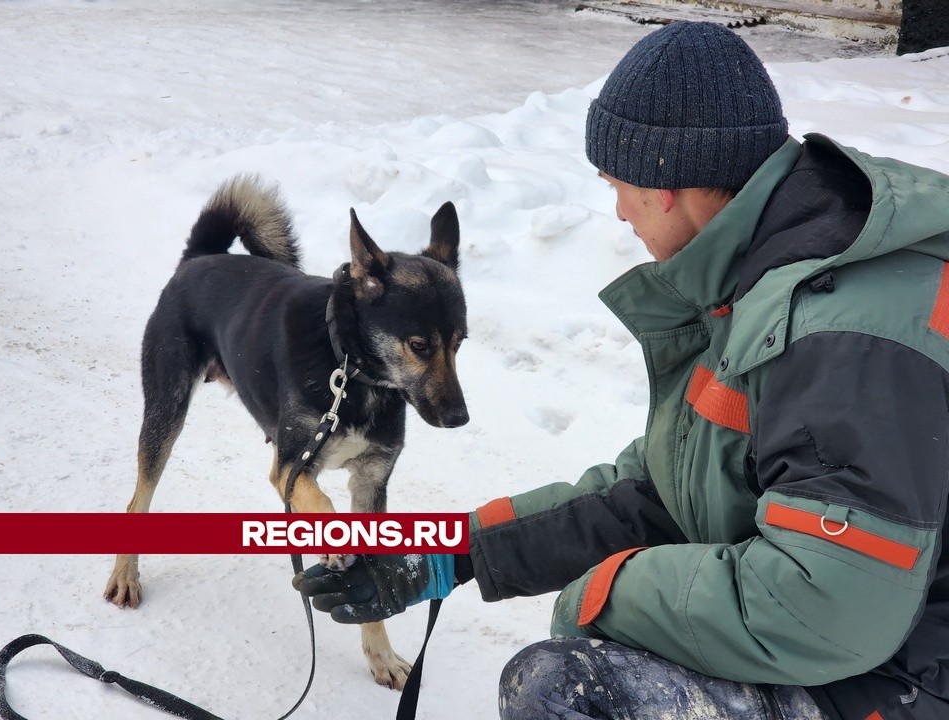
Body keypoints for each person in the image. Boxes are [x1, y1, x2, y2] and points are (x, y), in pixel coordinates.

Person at [296, 21, 949, 720]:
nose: (617, 211)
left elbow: (827, 604)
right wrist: (452, 555)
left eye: (616, 186)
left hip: (903, 681)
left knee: (565, 690)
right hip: (870, 651)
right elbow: (660, 489)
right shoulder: (769, 277)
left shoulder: (846, 331)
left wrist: (609, 591)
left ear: (664, 184)